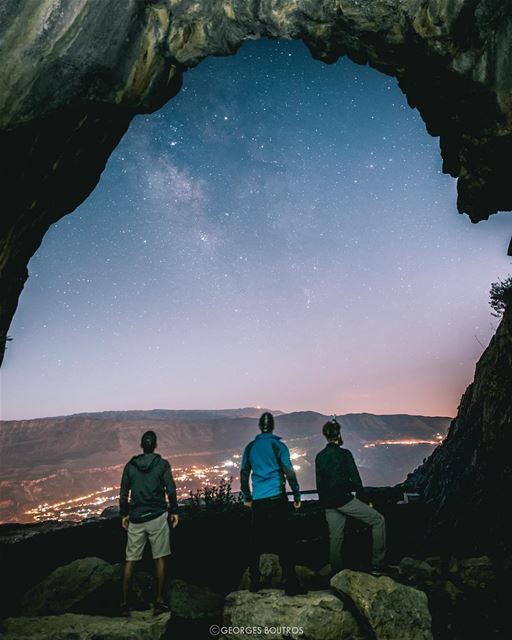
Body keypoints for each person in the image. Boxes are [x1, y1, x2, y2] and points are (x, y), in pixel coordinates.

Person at [240, 411, 307, 596]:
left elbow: (244, 474)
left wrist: (247, 497)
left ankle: (254, 582)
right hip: (278, 498)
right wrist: (297, 495)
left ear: (260, 426)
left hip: (259, 501)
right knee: (285, 541)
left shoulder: (250, 447)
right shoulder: (278, 446)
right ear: (273, 426)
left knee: (255, 543)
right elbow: (289, 472)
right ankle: (291, 583)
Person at [119, 430, 179, 615]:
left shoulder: (130, 466)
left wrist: (124, 514)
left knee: (130, 559)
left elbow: (123, 493)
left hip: (136, 518)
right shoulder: (162, 465)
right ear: (155, 445)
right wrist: (174, 511)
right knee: (160, 557)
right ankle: (159, 602)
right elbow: (171, 489)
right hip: (157, 516)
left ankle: (124, 603)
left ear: (141, 445)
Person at [315, 417, 386, 574]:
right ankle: (377, 564)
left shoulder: (319, 456)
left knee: (336, 537)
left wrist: (324, 502)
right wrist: (365, 501)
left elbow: (319, 483)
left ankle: (336, 573)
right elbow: (356, 480)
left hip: (328, 503)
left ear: (325, 436)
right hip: (344, 500)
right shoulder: (345, 454)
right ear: (338, 435)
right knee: (378, 520)